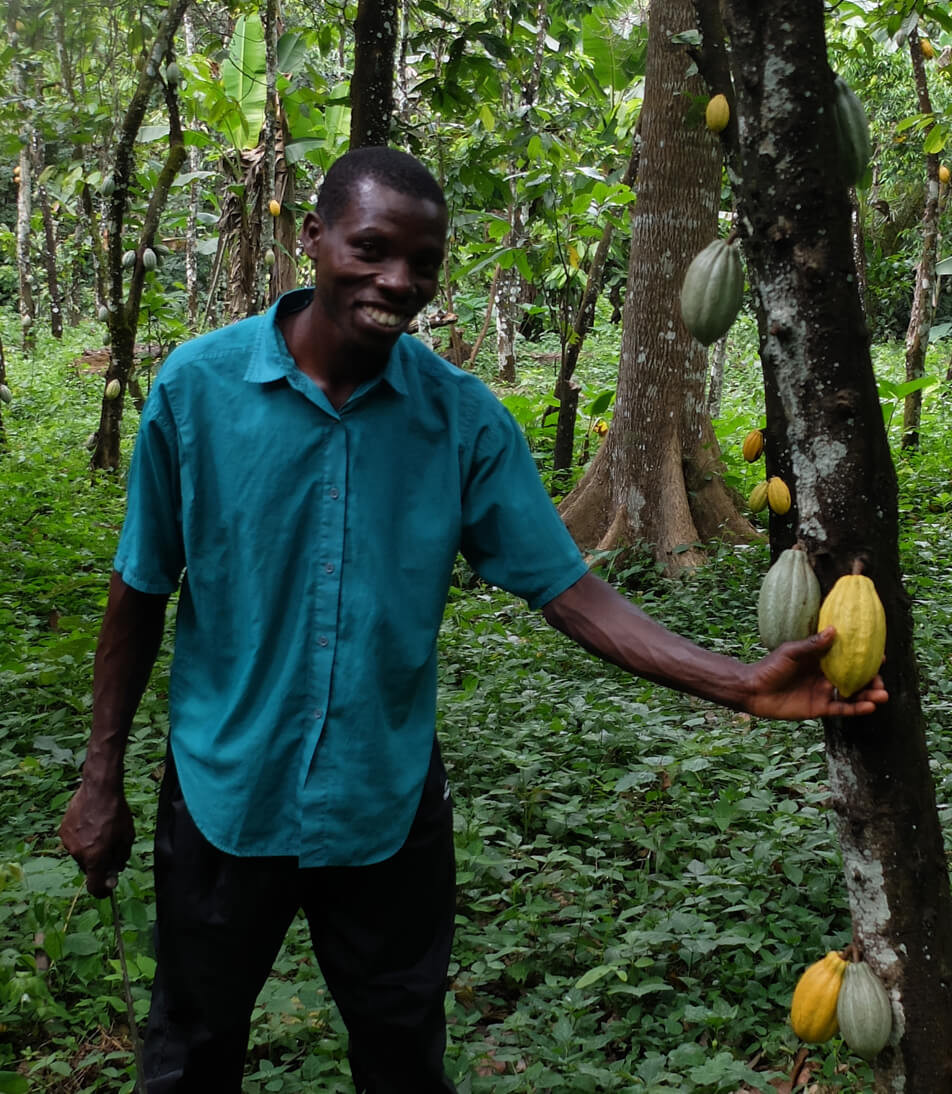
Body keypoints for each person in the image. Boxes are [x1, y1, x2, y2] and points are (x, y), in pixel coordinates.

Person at [59, 146, 887, 1093]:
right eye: (371, 249)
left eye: (423, 263)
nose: (397, 282)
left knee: (403, 1053)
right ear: (313, 239)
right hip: (222, 795)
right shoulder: (196, 392)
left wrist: (735, 681)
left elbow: (571, 593)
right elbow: (140, 592)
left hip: (385, 805)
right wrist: (99, 782)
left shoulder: (462, 421)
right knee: (189, 1056)